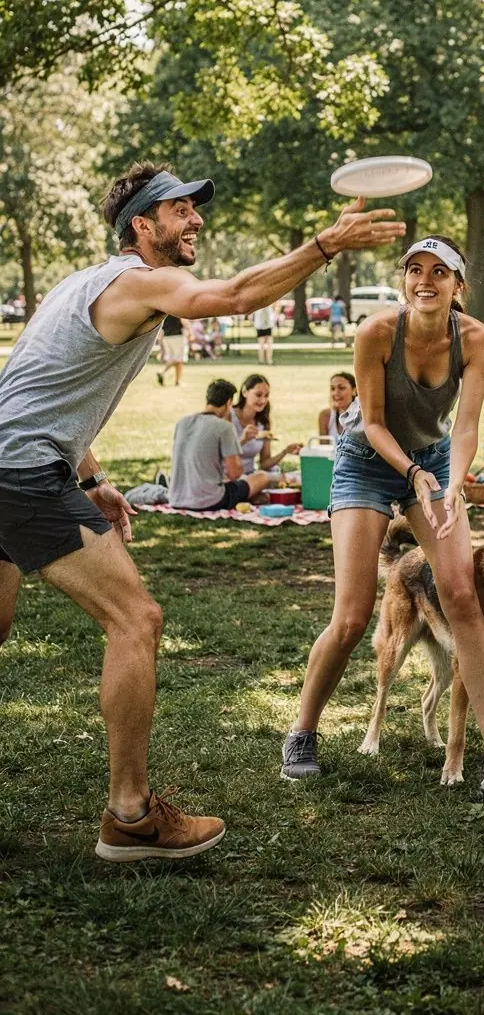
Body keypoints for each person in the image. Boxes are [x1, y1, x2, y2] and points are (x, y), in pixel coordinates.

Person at [0, 160, 404, 861]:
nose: (195, 221)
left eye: (194, 209)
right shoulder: (141, 281)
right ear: (142, 226)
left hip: (20, 462)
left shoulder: (86, 284)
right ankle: (130, 818)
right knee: (137, 619)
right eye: (179, 210)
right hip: (19, 474)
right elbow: (237, 295)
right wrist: (325, 246)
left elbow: (37, 384)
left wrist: (90, 473)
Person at [281, 234, 484, 801]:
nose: (426, 280)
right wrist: (410, 475)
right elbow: (371, 423)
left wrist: (455, 482)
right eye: (415, 269)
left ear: (458, 286)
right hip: (367, 463)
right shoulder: (375, 332)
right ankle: (301, 732)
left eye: (440, 272)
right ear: (403, 281)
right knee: (351, 616)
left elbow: (465, 426)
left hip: (436, 462)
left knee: (462, 594)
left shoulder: (476, 339)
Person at [168, 378, 274, 510]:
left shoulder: (182, 423)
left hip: (176, 498)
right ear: (228, 402)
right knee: (262, 477)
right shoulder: (224, 427)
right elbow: (234, 474)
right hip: (209, 500)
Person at [232, 373, 302, 491]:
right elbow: (219, 455)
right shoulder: (229, 417)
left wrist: (285, 451)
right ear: (245, 392)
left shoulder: (263, 422)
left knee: (290, 478)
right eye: (258, 395)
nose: (263, 400)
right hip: (230, 476)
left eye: (266, 395)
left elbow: (264, 464)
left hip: (251, 476)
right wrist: (243, 440)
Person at [318, 371, 357, 440]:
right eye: (332, 388)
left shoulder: (362, 416)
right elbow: (323, 448)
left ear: (354, 391)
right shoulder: (325, 416)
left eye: (341, 388)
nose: (336, 393)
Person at [156, 312, 191, 386]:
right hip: (177, 336)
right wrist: (190, 331)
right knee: (179, 359)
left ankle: (178, 381)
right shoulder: (178, 307)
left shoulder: (165, 308)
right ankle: (162, 372)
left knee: (176, 359)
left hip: (167, 337)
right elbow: (183, 320)